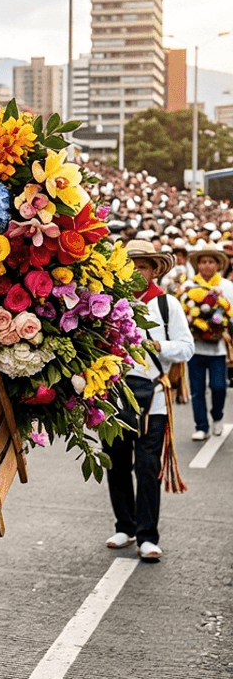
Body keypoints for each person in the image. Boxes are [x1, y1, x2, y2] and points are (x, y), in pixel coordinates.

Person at [106, 240, 193, 563]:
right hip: (113, 396)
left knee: (146, 466)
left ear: (155, 270)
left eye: (142, 265)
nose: (136, 271)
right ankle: (124, 526)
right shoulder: (109, 302)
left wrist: (155, 345)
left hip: (154, 396)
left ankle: (147, 535)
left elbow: (186, 348)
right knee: (115, 463)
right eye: (130, 265)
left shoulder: (168, 305)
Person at [182, 246, 233, 441]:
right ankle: (201, 425)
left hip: (218, 348)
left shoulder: (227, 287)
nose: (207, 265)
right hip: (195, 348)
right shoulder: (188, 286)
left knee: (219, 386)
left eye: (211, 262)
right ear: (198, 265)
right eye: (203, 262)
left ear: (218, 265)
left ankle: (218, 417)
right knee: (197, 390)